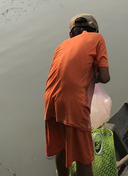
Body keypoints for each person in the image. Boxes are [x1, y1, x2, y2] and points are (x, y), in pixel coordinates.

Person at [44, 14, 110, 176]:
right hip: (73, 102)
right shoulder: (97, 38)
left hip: (50, 100)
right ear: (96, 30)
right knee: (84, 159)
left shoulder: (62, 45)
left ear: (71, 34)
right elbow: (105, 77)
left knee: (62, 146)